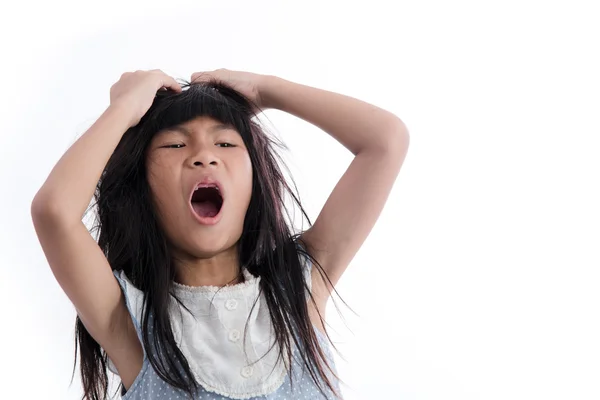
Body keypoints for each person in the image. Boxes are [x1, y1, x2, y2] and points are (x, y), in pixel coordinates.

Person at [31, 68, 410, 400]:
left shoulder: (300, 287)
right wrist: (125, 109)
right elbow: (55, 211)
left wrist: (266, 90)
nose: (204, 156)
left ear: (254, 184)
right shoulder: (129, 318)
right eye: (176, 145)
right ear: (142, 191)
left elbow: (385, 141)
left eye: (226, 143)